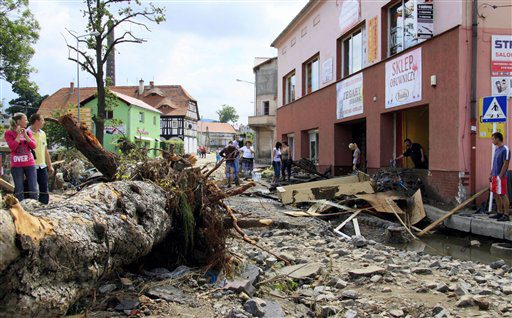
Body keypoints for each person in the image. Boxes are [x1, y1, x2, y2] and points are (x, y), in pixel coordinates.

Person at [4, 113, 37, 201]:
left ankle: (34, 204)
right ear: (18, 121)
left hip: (29, 163)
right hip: (16, 165)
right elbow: (12, 147)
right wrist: (18, 135)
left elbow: (34, 146)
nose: (27, 122)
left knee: (33, 186)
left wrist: (25, 135)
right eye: (25, 119)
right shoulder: (8, 133)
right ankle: (20, 206)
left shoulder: (28, 132)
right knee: (19, 188)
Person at [27, 114, 54, 204]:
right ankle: (30, 206)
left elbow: (45, 150)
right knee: (31, 188)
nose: (44, 122)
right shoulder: (26, 133)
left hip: (42, 165)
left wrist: (50, 165)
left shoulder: (43, 133)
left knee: (44, 187)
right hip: (30, 165)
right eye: (42, 120)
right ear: (37, 121)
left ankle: (44, 206)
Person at [489, 132, 510, 222]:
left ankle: (506, 214)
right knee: (495, 194)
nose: (492, 140)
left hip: (500, 176)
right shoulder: (497, 149)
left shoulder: (505, 149)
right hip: (494, 175)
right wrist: (491, 174)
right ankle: (499, 212)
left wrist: (500, 175)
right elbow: (494, 164)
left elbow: (506, 163)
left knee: (502, 194)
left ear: (498, 139)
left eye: (493, 139)